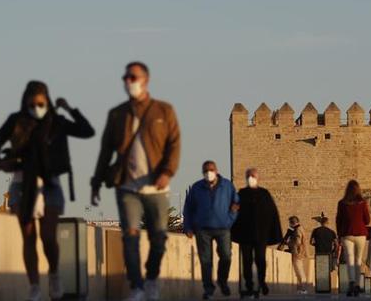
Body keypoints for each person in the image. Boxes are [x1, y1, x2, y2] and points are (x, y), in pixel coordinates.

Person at [0, 81, 95, 301]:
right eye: (32, 103)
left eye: (41, 103)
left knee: (48, 236)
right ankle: (34, 286)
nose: (36, 107)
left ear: (47, 101)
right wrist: (0, 163)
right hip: (21, 184)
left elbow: (87, 131)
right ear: (25, 102)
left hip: (50, 185)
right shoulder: (16, 120)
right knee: (28, 237)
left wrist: (69, 108)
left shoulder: (56, 121)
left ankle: (54, 273)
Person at [90, 62, 181, 301]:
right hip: (126, 186)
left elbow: (174, 145)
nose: (128, 81)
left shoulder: (164, 111)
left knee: (158, 238)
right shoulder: (117, 114)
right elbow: (105, 151)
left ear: (146, 80)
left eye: (133, 77)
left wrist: (167, 172)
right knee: (130, 236)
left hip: (157, 186)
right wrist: (96, 182)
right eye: (126, 77)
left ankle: (151, 279)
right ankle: (137, 286)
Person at [183, 160, 240, 299]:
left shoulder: (227, 185)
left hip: (223, 227)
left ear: (216, 171)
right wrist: (188, 227)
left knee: (226, 256)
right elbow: (188, 209)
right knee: (205, 260)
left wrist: (229, 220)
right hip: (202, 229)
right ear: (203, 172)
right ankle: (208, 288)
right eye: (206, 170)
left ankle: (222, 281)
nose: (209, 173)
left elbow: (236, 204)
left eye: (211, 170)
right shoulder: (197, 187)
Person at [231, 168, 282, 298]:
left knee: (260, 259)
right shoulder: (241, 194)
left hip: (261, 234)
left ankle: (261, 281)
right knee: (246, 261)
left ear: (258, 178)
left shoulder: (264, 194)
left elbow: (272, 214)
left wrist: (273, 232)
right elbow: (234, 212)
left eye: (253, 175)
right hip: (245, 234)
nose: (250, 178)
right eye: (248, 175)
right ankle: (249, 285)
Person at [335, 180, 370, 297]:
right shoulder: (362, 203)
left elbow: (338, 220)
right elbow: (367, 220)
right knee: (358, 260)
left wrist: (339, 234)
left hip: (347, 234)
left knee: (349, 260)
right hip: (360, 234)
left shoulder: (342, 203)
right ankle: (358, 284)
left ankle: (351, 283)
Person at [278, 216, 310, 294]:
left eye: (289, 222)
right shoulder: (300, 228)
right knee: (299, 271)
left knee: (299, 271)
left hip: (298, 253)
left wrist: (288, 243)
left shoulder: (298, 229)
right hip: (300, 252)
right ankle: (301, 288)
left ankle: (303, 289)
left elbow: (297, 242)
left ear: (292, 222)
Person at [309, 213, 338, 292]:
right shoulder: (332, 232)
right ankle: (327, 288)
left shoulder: (315, 231)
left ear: (320, 222)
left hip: (318, 253)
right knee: (327, 271)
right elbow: (336, 244)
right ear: (327, 223)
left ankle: (320, 288)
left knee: (319, 270)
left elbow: (311, 242)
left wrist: (316, 245)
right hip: (328, 254)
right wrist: (333, 251)